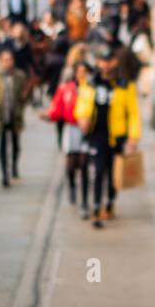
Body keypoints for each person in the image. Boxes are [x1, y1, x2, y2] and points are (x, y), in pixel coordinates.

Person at [73, 39, 141, 228]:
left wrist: (133, 135)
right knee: (98, 170)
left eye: (109, 61)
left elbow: (133, 113)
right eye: (102, 61)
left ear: (115, 62)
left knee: (113, 172)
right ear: (98, 63)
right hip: (96, 134)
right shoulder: (91, 83)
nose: (106, 65)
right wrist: (83, 118)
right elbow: (82, 105)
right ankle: (96, 207)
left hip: (116, 134)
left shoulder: (125, 85)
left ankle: (109, 203)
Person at [41, 43, 89, 218]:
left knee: (84, 164)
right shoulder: (67, 88)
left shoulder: (89, 89)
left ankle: (84, 201)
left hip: (86, 129)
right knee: (71, 163)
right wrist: (48, 115)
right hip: (71, 128)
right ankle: (71, 186)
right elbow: (58, 107)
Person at [0, 48, 29, 187]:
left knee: (16, 144)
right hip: (1, 116)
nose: (7, 63)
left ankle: (14, 167)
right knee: (2, 145)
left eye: (10, 60)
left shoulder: (20, 76)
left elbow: (26, 95)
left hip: (15, 115)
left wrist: (24, 100)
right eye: (4, 60)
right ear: (0, 62)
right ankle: (4, 174)